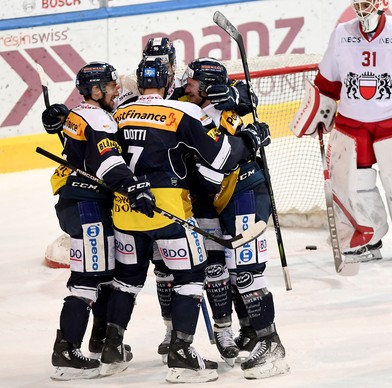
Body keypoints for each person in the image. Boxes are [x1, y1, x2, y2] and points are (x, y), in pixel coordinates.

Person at [100, 57, 270, 383]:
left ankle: (110, 347)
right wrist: (250, 140)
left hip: (126, 211)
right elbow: (220, 157)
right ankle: (182, 354)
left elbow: (97, 153)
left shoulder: (119, 113)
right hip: (171, 210)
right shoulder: (182, 111)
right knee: (191, 278)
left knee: (127, 281)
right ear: (168, 82)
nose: (185, 86)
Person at [135, 37, 259, 363]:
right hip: (175, 193)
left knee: (219, 265)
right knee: (166, 270)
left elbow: (248, 99)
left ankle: (225, 330)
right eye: (153, 58)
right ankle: (172, 331)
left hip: (206, 194)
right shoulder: (158, 92)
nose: (160, 64)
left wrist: (236, 94)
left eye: (164, 58)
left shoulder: (195, 87)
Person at [299, 0, 392, 262]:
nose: (361, 6)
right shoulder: (342, 33)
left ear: (382, 3)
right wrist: (321, 107)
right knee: (354, 184)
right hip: (352, 124)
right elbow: (327, 83)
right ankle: (366, 238)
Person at [42, 61, 155, 381]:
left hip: (82, 203)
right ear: (95, 91)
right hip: (87, 205)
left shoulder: (84, 113)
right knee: (88, 278)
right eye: (109, 85)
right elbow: (106, 162)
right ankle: (66, 352)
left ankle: (98, 340)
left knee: (104, 274)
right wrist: (133, 186)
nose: (115, 89)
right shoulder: (95, 118)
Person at [182, 57, 289, 378]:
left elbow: (221, 160)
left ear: (208, 86)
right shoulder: (185, 103)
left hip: (243, 192)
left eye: (192, 82)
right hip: (207, 199)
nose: (186, 86)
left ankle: (272, 344)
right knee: (214, 266)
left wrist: (241, 99)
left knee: (244, 271)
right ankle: (237, 329)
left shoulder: (227, 112)